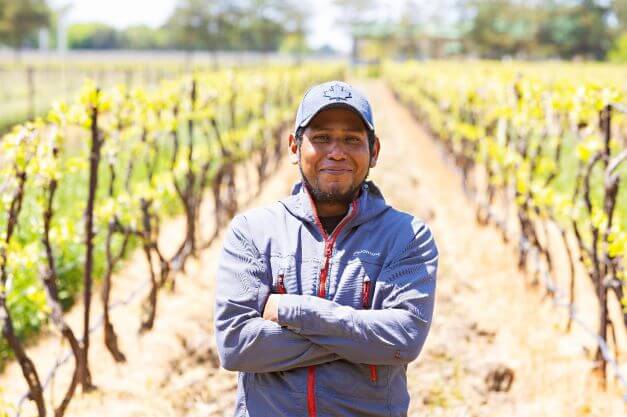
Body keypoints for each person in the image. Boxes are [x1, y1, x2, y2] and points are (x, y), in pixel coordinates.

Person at [214, 80, 439, 417]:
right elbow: (237, 345)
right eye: (321, 138)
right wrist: (361, 338)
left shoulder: (406, 236)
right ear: (293, 147)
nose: (337, 152)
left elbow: (403, 339)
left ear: (373, 151)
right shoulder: (253, 232)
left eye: (352, 139)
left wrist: (295, 311)